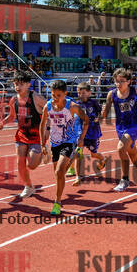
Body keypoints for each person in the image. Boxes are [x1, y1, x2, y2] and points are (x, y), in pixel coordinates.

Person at [39, 80, 89, 215]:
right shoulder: (48, 106)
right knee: (58, 174)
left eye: (58, 95)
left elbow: (86, 120)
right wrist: (42, 143)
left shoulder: (73, 106)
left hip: (69, 140)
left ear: (65, 94)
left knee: (59, 171)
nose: (55, 98)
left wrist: (81, 138)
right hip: (54, 142)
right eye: (53, 95)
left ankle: (57, 202)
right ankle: (74, 157)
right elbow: (42, 124)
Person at [0, 71, 47, 199]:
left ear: (28, 84)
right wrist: (3, 122)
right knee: (20, 163)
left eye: (21, 84)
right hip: (22, 134)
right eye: (15, 84)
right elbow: (12, 116)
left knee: (32, 165)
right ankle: (28, 187)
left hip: (36, 135)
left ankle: (44, 152)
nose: (17, 87)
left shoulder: (36, 97)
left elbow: (50, 109)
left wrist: (49, 127)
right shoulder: (13, 100)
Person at [101, 68, 137, 192]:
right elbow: (105, 113)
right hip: (121, 127)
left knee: (121, 148)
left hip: (135, 125)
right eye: (116, 81)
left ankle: (125, 180)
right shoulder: (111, 94)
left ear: (128, 81)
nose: (118, 84)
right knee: (132, 153)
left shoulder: (135, 91)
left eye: (121, 81)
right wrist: (101, 114)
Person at [72, 82, 106, 186]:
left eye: (83, 92)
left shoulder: (94, 103)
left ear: (89, 93)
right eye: (79, 93)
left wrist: (99, 118)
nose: (80, 95)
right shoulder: (76, 104)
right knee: (78, 153)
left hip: (93, 132)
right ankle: (78, 177)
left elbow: (101, 114)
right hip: (81, 132)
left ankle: (102, 159)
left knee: (93, 154)